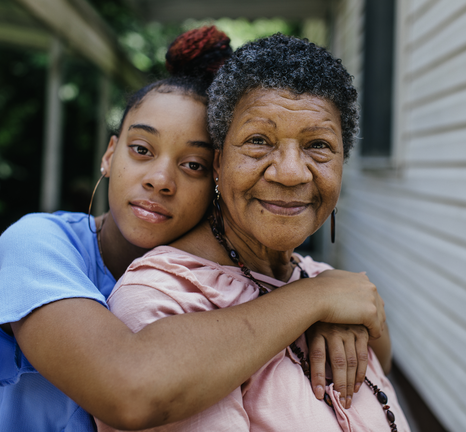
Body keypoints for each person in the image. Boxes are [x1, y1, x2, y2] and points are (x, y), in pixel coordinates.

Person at [0, 27, 390, 432]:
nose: (161, 179)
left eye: (192, 164)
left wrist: (334, 314)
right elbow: (129, 389)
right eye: (141, 149)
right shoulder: (38, 245)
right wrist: (316, 298)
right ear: (109, 154)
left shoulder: (234, 276)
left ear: (217, 176)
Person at [98, 34, 408, 432]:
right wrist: (315, 300)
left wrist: (337, 304)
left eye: (318, 145)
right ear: (218, 163)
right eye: (259, 141)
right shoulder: (163, 298)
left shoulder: (325, 283)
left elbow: (383, 357)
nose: (292, 172)